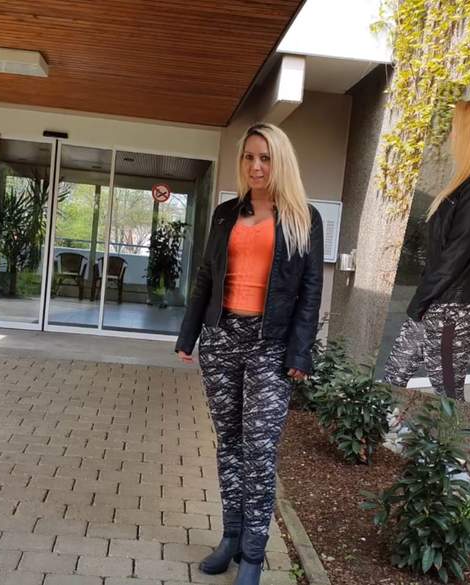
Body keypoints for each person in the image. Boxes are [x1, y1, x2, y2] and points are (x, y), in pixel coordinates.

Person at [175, 123, 323, 585]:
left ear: (280, 161)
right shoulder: (225, 214)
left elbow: (310, 290)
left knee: (259, 450)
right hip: (222, 339)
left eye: (265, 158)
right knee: (230, 445)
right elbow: (205, 275)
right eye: (249, 157)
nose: (256, 166)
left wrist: (300, 353)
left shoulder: (304, 218)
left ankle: (254, 556)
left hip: (270, 344)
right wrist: (188, 336)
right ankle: (231, 538)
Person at [383, 98, 470, 402]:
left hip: (454, 309)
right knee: (394, 373)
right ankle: (377, 429)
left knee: (448, 393)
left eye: (457, 128)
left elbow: (453, 258)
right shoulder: (468, 185)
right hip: (439, 302)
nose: (452, 135)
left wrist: (418, 305)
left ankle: (453, 436)